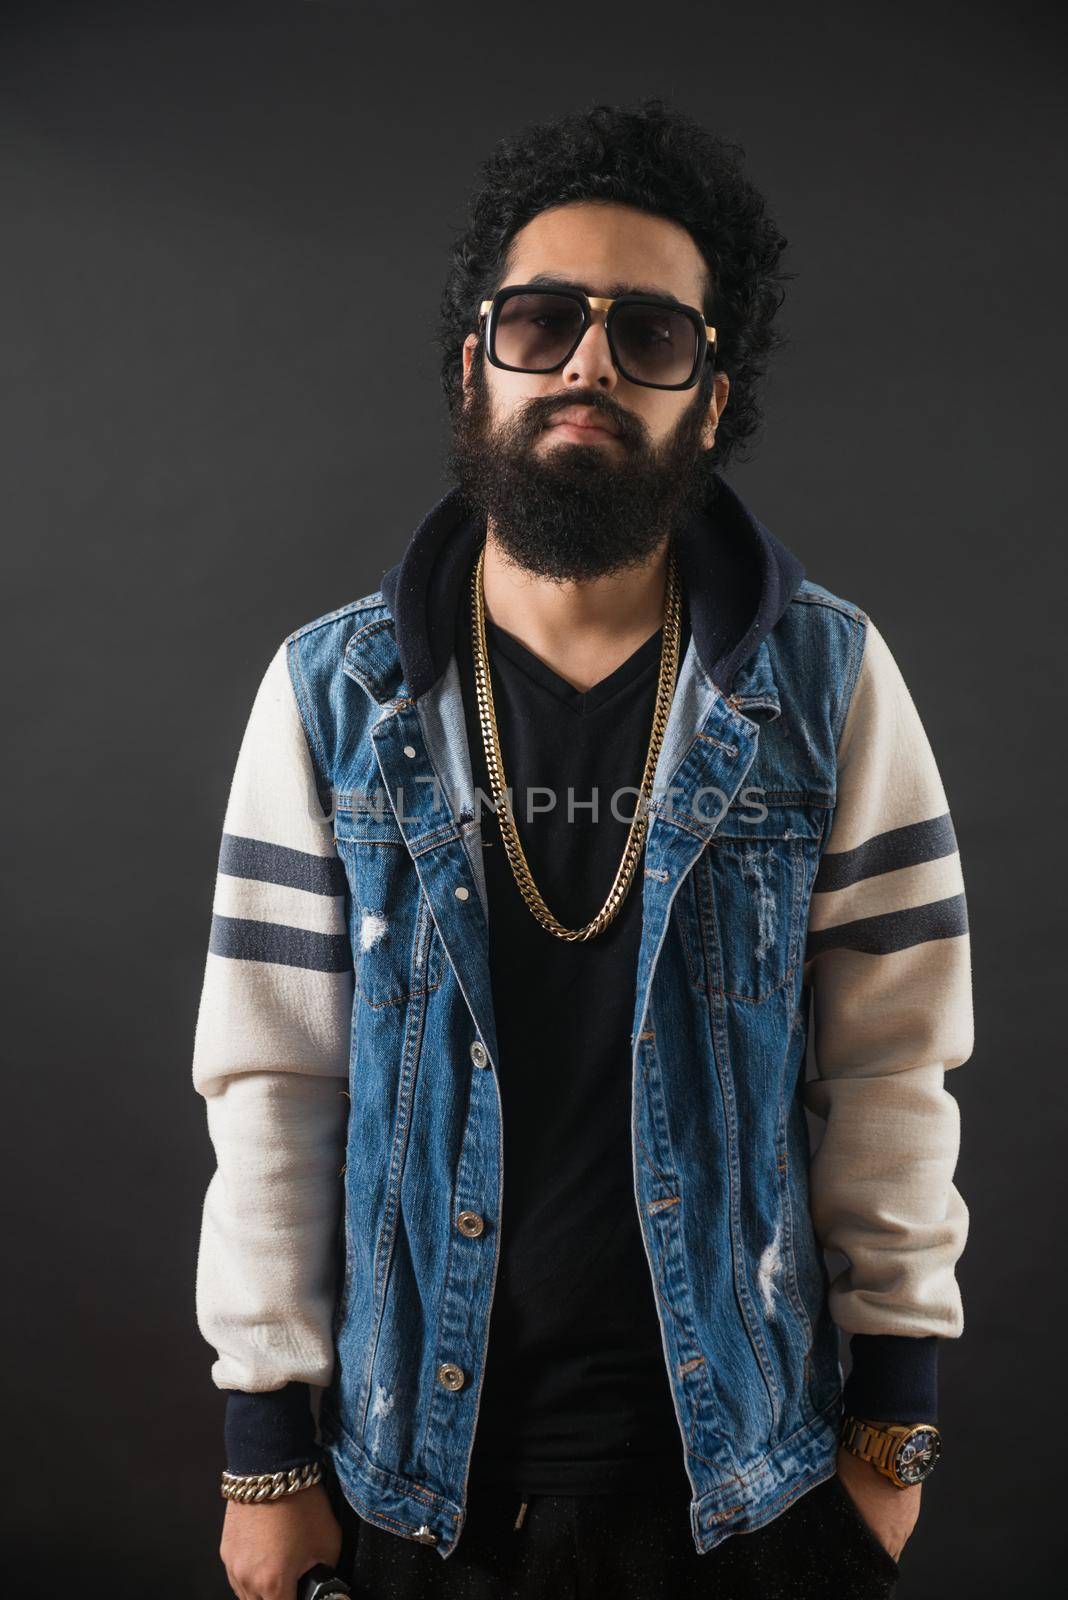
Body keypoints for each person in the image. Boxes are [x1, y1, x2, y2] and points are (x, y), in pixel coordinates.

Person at [192, 99, 973, 1599]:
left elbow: (896, 1066)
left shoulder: (827, 686)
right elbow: (275, 1082)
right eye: (544, 320)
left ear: (713, 397)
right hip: (412, 1490)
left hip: (748, 1489)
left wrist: (896, 1437)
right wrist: (263, 1446)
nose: (590, 363)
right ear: (471, 363)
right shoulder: (330, 698)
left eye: (650, 335)